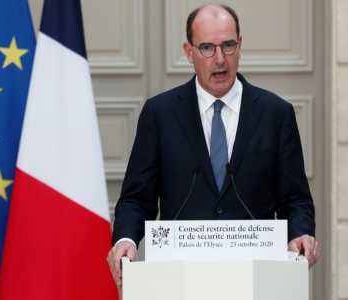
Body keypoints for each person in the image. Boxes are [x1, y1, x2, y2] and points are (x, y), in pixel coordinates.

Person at [107, 4, 319, 289]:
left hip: (255, 281)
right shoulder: (160, 114)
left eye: (228, 45)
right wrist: (126, 239)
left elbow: (295, 199)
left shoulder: (275, 114)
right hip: (179, 280)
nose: (220, 59)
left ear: (240, 46)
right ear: (188, 52)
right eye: (207, 47)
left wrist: (300, 234)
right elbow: (136, 198)